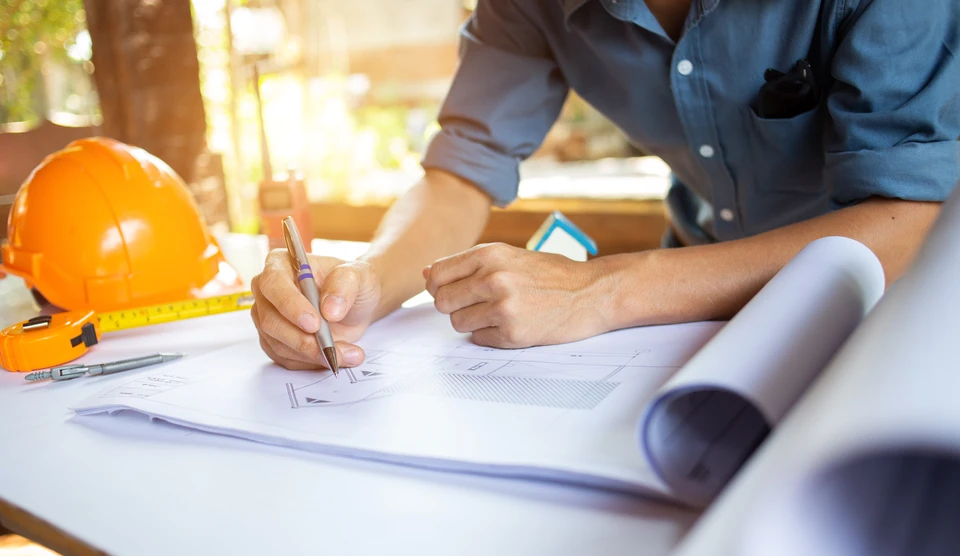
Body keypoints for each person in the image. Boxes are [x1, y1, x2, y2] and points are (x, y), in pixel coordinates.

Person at [251, 0, 960, 371]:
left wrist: (607, 288)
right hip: (690, 310)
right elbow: (460, 170)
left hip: (890, 311)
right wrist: (369, 282)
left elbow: (911, 224)